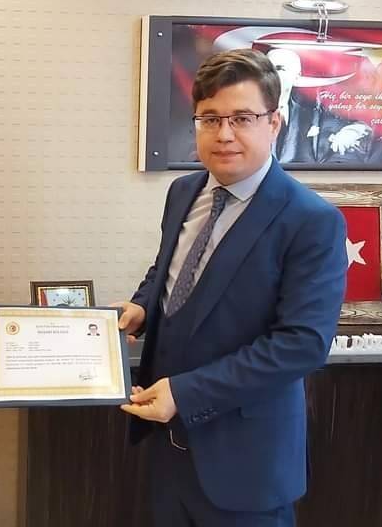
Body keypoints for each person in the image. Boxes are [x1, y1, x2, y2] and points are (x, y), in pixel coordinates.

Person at [115, 49, 348, 527]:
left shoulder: (312, 220)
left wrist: (186, 393)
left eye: (242, 118)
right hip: (166, 449)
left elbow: (302, 345)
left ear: (274, 123)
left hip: (246, 466)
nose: (224, 134)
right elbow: (170, 269)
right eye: (210, 119)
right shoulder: (183, 192)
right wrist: (143, 307)